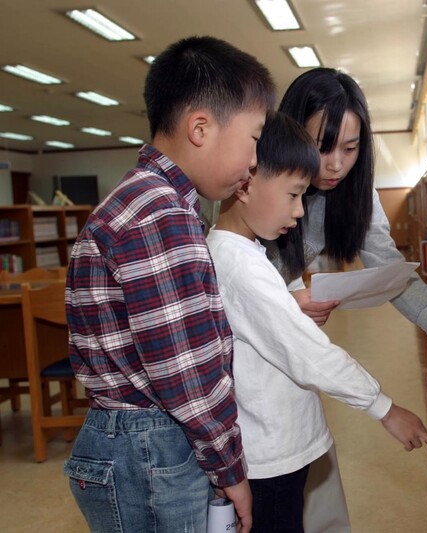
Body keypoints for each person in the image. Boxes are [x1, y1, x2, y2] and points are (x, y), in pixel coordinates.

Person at [63, 36, 275, 533]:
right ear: (200, 128)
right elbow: (185, 370)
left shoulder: (144, 200)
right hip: (148, 443)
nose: (253, 160)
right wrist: (230, 466)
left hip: (133, 437)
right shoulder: (160, 212)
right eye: (254, 138)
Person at [206, 110, 427, 532]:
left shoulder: (248, 255)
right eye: (294, 194)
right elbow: (308, 354)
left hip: (281, 447)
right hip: (268, 457)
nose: (300, 212)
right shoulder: (241, 266)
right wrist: (385, 409)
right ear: (245, 184)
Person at [269, 67, 427, 533]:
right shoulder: (259, 183)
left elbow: (391, 273)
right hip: (249, 359)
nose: (336, 165)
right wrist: (289, 298)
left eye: (351, 149)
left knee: (314, 491)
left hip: (293, 358)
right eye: (322, 147)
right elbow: (240, 277)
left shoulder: (354, 195)